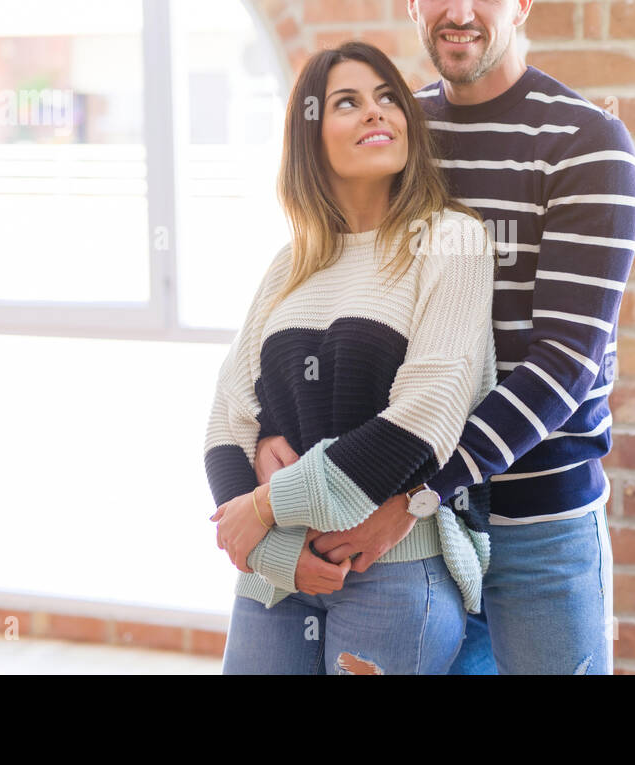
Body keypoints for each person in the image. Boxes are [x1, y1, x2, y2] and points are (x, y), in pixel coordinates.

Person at [301, 0, 635, 675]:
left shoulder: (589, 145)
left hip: (535, 529)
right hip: (412, 542)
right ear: (412, 0)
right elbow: (342, 305)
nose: (460, 8)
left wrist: (409, 496)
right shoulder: (397, 141)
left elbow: (563, 365)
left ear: (522, 2)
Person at [203, 40, 498, 675]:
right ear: (311, 137)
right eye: (347, 102)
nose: (376, 112)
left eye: (388, 98)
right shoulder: (291, 264)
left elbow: (426, 419)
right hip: (277, 576)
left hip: (395, 570)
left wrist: (265, 505)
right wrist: (273, 553)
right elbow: (228, 420)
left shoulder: (451, 240)